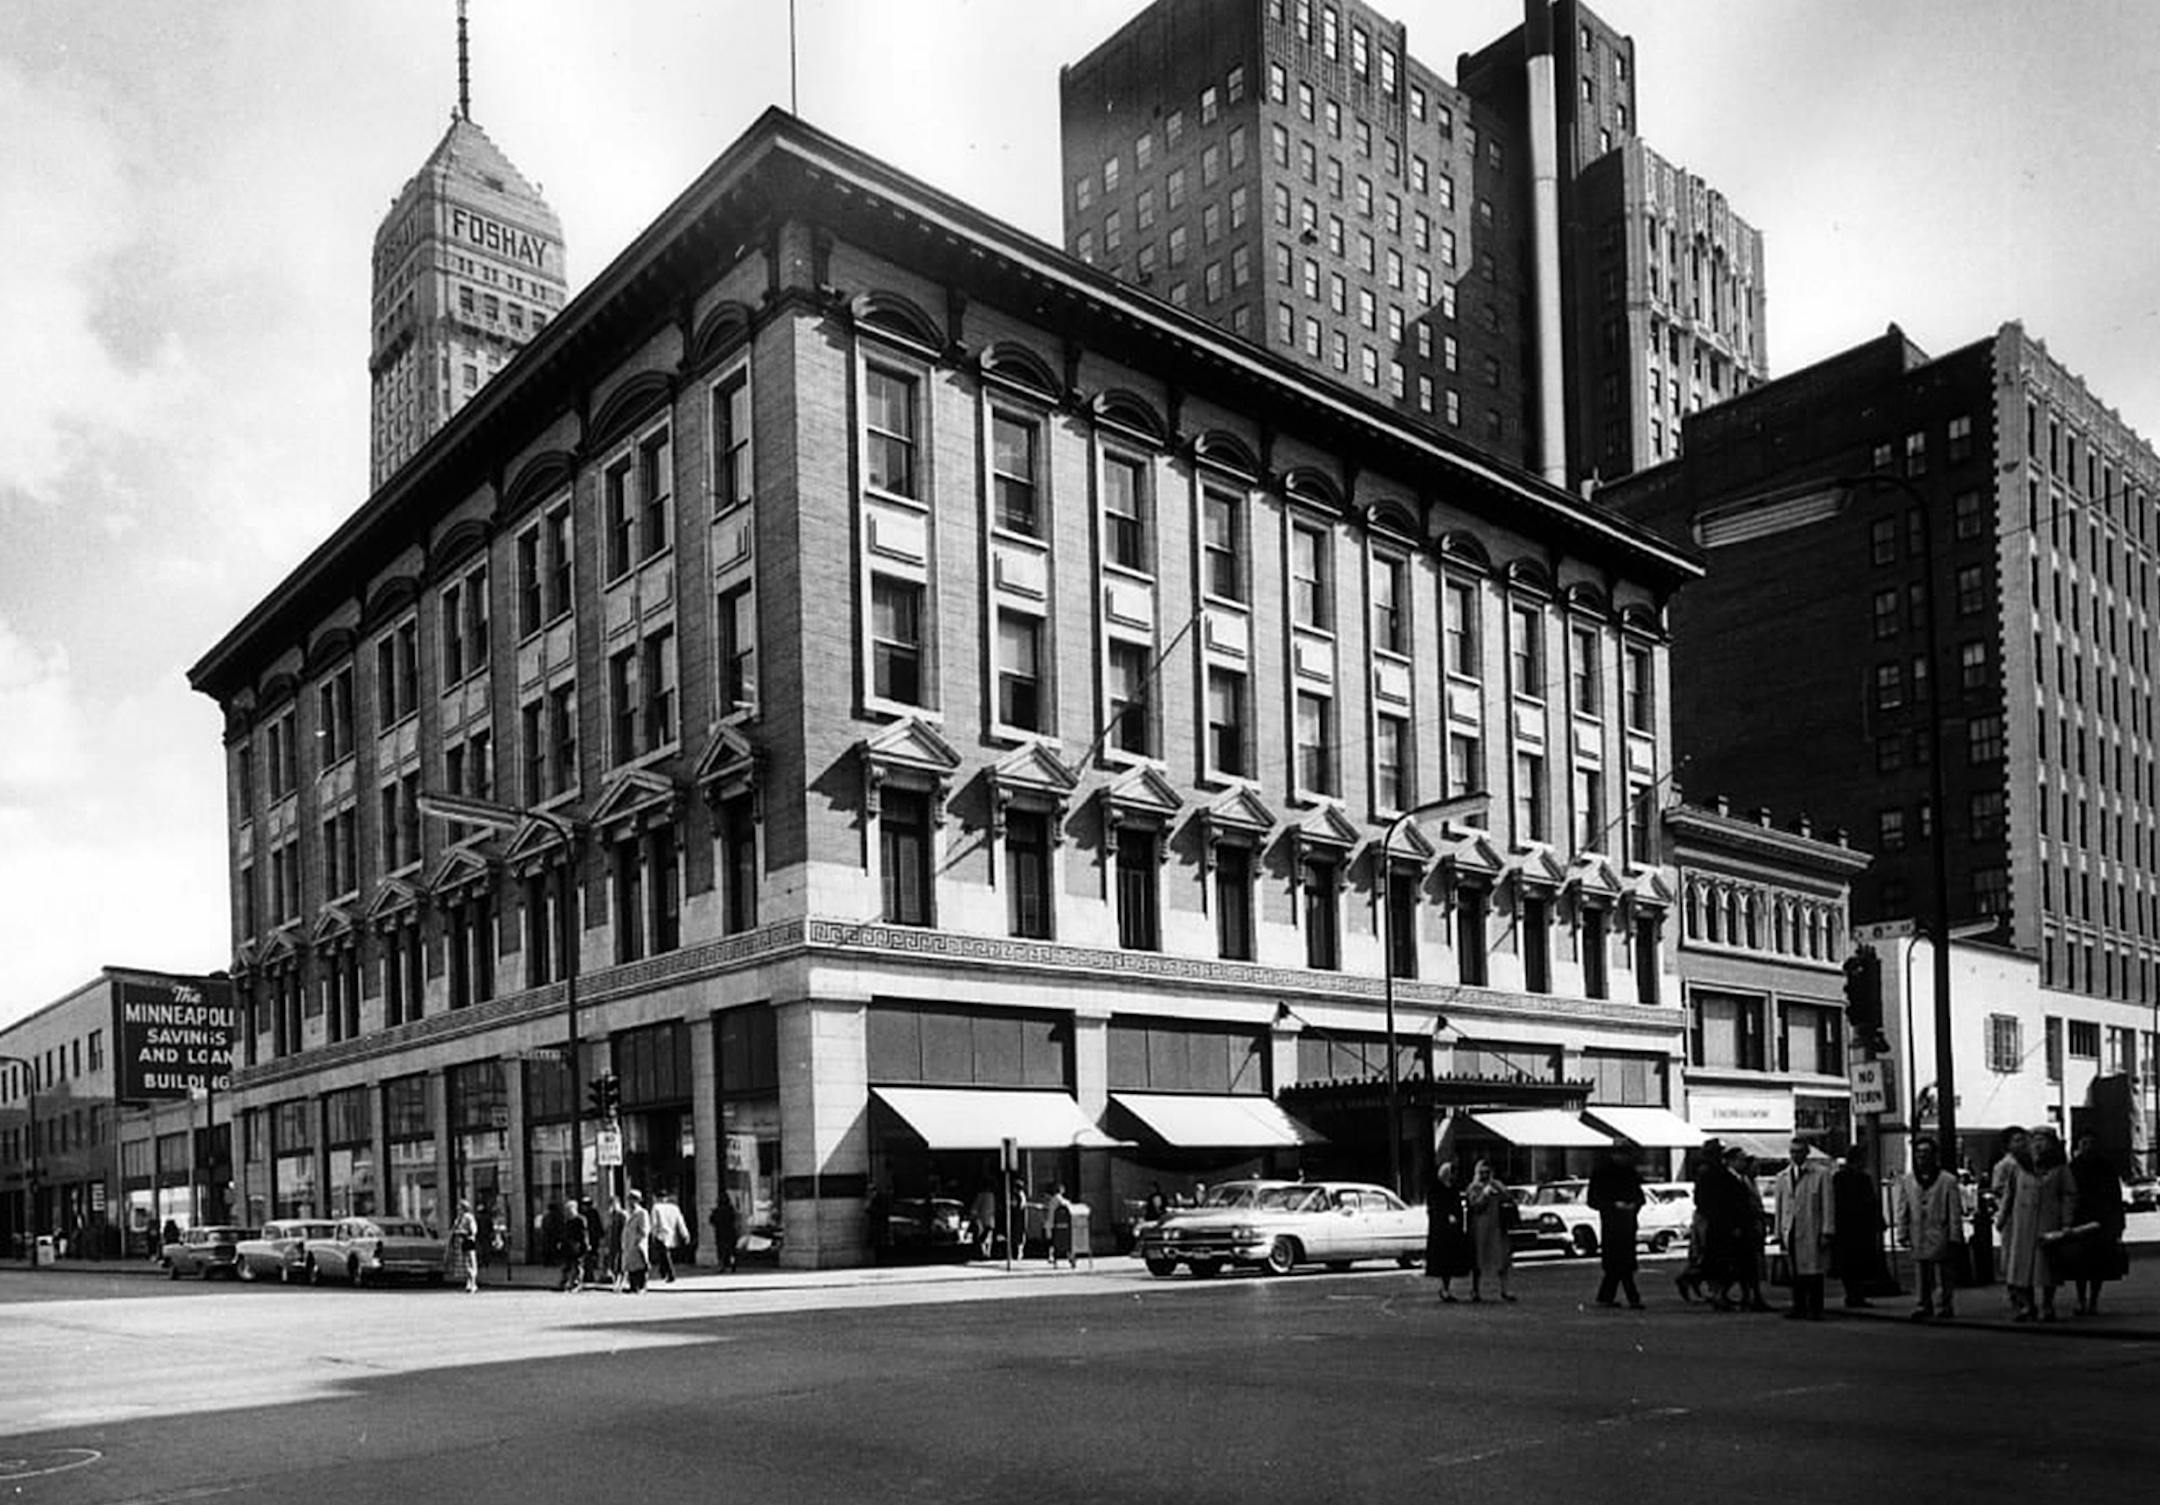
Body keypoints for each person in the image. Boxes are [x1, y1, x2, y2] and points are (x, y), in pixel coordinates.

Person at [2059, 1130, 2129, 1316]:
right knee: (2080, 1266)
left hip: (2101, 1221)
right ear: (2079, 1146)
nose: (2088, 1146)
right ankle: (2082, 1301)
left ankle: (2093, 1301)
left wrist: (2118, 1224)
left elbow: (2115, 1197)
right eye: (2084, 1143)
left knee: (2098, 1266)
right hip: (2080, 1221)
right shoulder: (2073, 1167)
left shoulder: (2105, 1167)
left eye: (2091, 1142)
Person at [1895, 1136, 1964, 1321]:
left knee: (1942, 1272)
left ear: (1934, 1156)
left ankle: (1943, 1305)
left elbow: (1954, 1210)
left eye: (1926, 1153)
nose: (1922, 1157)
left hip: (1939, 1229)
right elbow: (1903, 1207)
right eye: (1918, 1153)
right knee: (1921, 1271)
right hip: (1918, 1231)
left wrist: (1955, 1235)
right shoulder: (1908, 1180)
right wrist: (1901, 1231)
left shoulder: (1947, 1180)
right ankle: (1923, 1304)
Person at [1773, 1137, 1836, 1320]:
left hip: (1812, 1227)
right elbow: (1780, 1206)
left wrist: (1827, 1230)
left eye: (1799, 1151)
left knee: (1814, 1271)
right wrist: (1778, 1232)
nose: (1795, 1155)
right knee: (1795, 1271)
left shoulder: (1821, 1174)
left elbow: (1828, 1204)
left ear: (1807, 1153)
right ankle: (1798, 1306)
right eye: (1793, 1152)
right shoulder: (1783, 1177)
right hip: (1791, 1228)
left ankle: (1816, 1308)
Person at [1586, 1144, 1646, 1309]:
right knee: (1621, 1263)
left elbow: (1640, 1197)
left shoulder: (1629, 1172)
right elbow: (1593, 1200)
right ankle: (1632, 1298)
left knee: (1618, 1265)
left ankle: (1607, 1297)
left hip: (1627, 1223)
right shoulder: (1602, 1173)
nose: (1624, 1159)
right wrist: (1613, 1206)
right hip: (1612, 1223)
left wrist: (1633, 1206)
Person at [1832, 1145, 1885, 1308]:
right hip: (1854, 1227)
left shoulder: (1842, 1178)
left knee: (1853, 1264)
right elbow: (1870, 1202)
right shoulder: (1857, 1179)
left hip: (1851, 1227)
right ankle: (1855, 1295)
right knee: (1855, 1263)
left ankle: (1854, 1294)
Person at [1725, 1145, 1772, 1312]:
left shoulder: (1747, 1181)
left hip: (1752, 1226)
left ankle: (1752, 1296)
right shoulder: (1734, 1180)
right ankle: (1748, 1296)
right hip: (1742, 1228)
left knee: (1752, 1265)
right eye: (1742, 1159)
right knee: (1745, 1264)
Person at [1463, 1160, 1517, 1302]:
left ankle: (1505, 1289)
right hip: (1480, 1228)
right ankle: (1475, 1290)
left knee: (1502, 1259)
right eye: (1482, 1172)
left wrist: (1500, 1189)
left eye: (1488, 1172)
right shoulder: (1473, 1187)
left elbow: (1509, 1198)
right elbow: (1475, 1205)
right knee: (1478, 1260)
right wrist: (1485, 1194)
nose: (1485, 1175)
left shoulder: (1496, 1185)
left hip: (1497, 1227)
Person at [1422, 1161, 1471, 1302]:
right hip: (1441, 1231)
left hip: (1453, 1231)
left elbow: (1458, 1206)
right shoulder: (1435, 1189)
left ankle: (1446, 1288)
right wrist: (1445, 1216)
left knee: (1450, 1261)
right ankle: (1444, 1288)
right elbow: (1433, 1208)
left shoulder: (1453, 1188)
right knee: (1443, 1260)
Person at [649, 1192, 690, 1283]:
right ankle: (663, 1272)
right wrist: (685, 1233)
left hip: (661, 1234)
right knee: (664, 1254)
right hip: (672, 1234)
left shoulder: (656, 1208)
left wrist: (653, 1234)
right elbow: (680, 1222)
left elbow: (654, 1223)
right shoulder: (674, 1208)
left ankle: (671, 1274)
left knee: (664, 1254)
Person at [619, 1189, 652, 1294]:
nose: (630, 1202)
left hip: (637, 1245)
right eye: (629, 1199)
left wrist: (638, 1241)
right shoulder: (628, 1213)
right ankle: (633, 1286)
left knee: (640, 1266)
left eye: (632, 1199)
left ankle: (641, 1286)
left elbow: (645, 1230)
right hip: (629, 1244)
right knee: (631, 1266)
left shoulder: (642, 1213)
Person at [557, 1197, 589, 1293]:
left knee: (577, 1266)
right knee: (566, 1266)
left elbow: (584, 1234)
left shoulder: (580, 1220)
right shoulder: (567, 1221)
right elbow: (564, 1233)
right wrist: (561, 1242)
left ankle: (577, 1283)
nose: (567, 1212)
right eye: (566, 1210)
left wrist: (585, 1245)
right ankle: (564, 1282)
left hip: (577, 1246)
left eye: (569, 1209)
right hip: (567, 1246)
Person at [449, 1198, 480, 1294]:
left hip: (467, 1241)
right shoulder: (458, 1218)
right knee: (465, 1264)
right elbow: (453, 1229)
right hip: (459, 1242)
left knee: (470, 1263)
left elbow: (473, 1230)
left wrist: (465, 1233)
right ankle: (469, 1282)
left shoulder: (469, 1217)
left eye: (460, 1207)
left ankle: (473, 1284)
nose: (458, 1209)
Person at [1043, 1182, 1075, 1266]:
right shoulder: (1057, 1198)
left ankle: (1052, 1257)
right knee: (1060, 1242)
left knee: (1052, 1242)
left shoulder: (1053, 1198)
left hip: (1051, 1223)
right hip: (1055, 1224)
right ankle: (1058, 1257)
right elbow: (1065, 1203)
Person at [709, 1192, 740, 1273]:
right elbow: (735, 1219)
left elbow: (712, 1221)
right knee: (732, 1251)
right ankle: (733, 1265)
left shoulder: (717, 1210)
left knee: (722, 1251)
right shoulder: (731, 1209)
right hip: (731, 1232)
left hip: (721, 1233)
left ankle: (722, 1266)